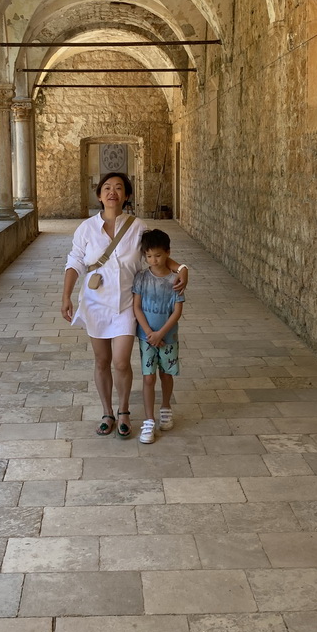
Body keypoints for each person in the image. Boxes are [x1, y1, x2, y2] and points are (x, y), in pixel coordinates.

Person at [61, 172, 188, 438]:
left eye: (119, 188)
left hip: (126, 305)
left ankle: (124, 411)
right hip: (95, 304)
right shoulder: (86, 229)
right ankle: (107, 411)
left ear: (126, 195)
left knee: (120, 362)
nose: (112, 192)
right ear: (99, 195)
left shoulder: (137, 227)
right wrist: (66, 296)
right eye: (106, 188)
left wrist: (182, 268)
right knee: (101, 360)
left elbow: (159, 255)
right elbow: (74, 262)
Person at [132, 229, 185, 444]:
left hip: (168, 337)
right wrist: (149, 333)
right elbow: (136, 308)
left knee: (166, 374)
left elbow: (177, 311)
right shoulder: (141, 278)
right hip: (146, 338)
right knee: (148, 377)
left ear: (168, 253)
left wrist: (161, 333)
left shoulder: (176, 280)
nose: (154, 260)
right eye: (149, 256)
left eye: (159, 255)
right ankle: (148, 420)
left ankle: (165, 407)